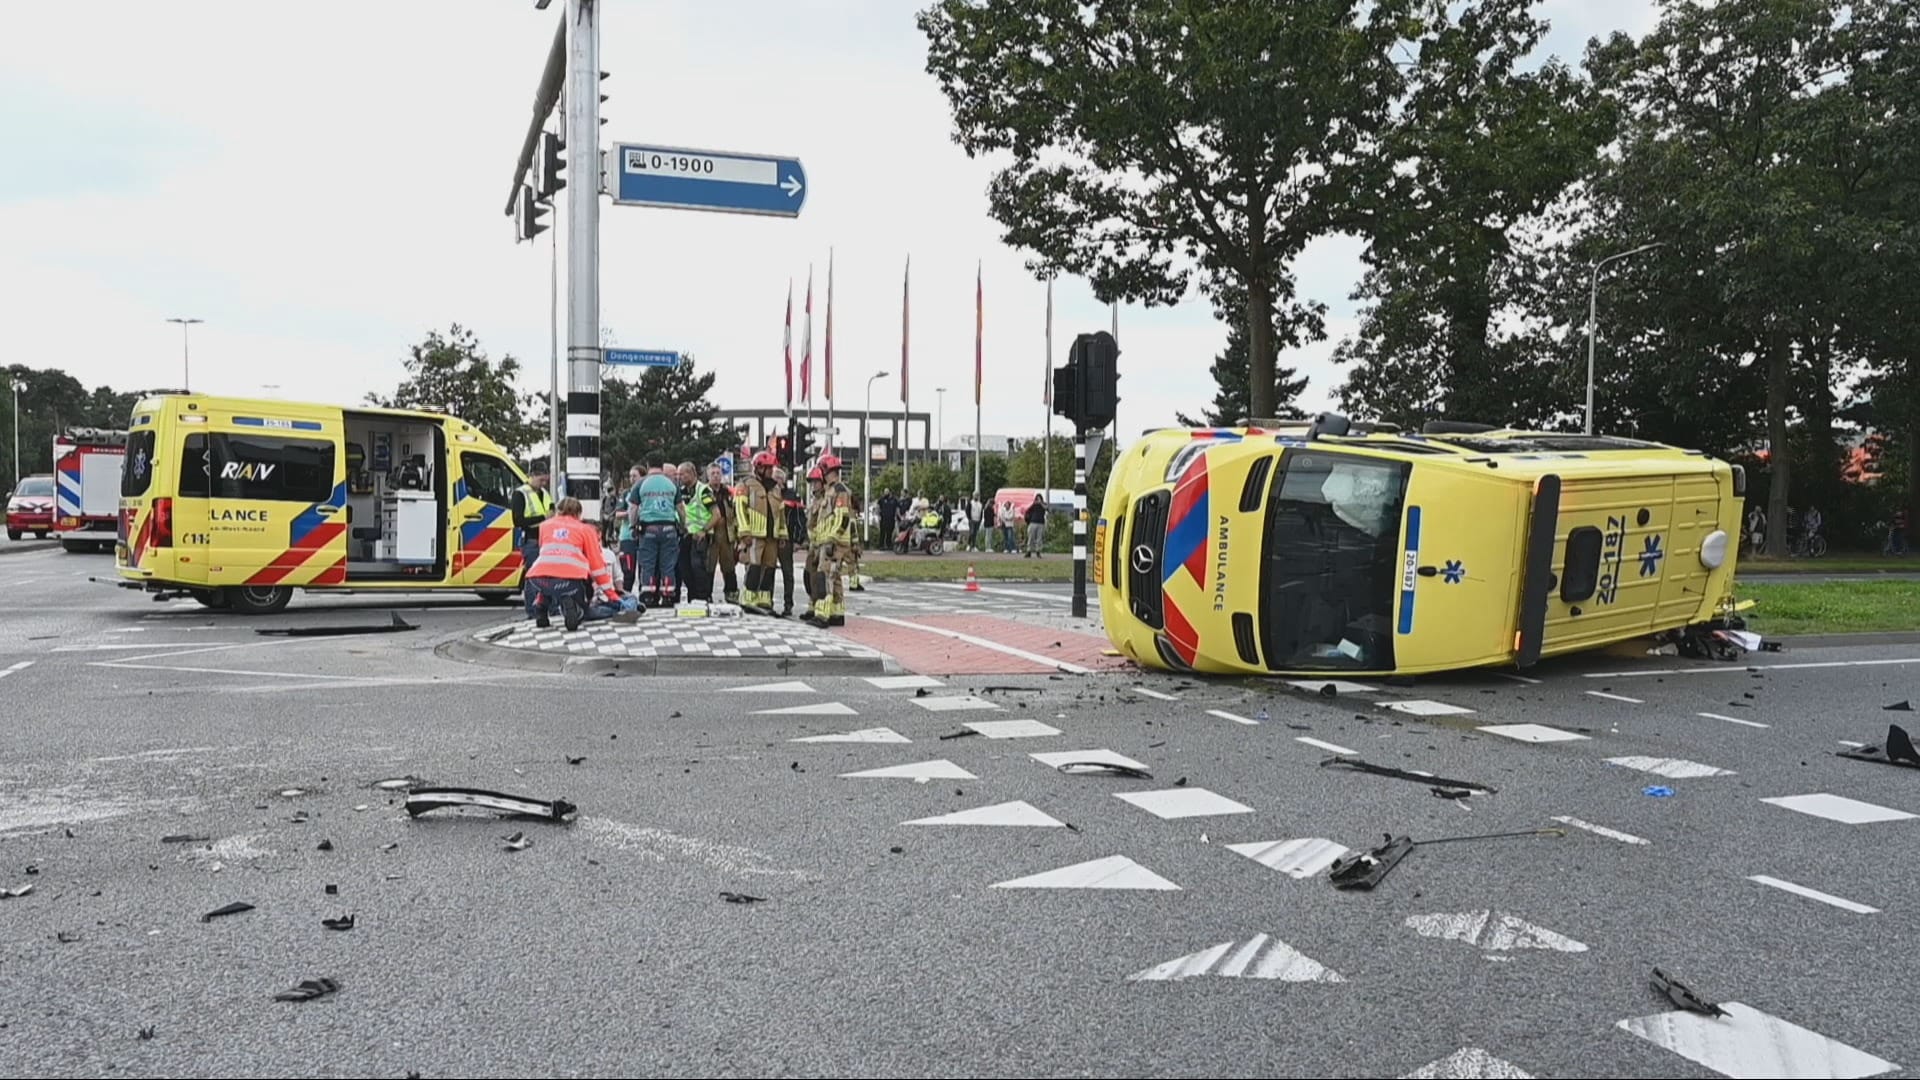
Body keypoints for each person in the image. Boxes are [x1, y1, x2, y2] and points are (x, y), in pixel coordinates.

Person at [525, 497, 613, 632]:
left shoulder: (544, 526)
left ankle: (541, 606)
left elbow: (546, 553)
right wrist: (612, 595)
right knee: (578, 596)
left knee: (548, 582)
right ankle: (574, 606)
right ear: (578, 514)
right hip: (569, 582)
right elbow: (597, 567)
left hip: (537, 579)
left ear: (558, 511)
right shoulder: (585, 529)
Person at [737, 450, 787, 616]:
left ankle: (764, 599)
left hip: (772, 536)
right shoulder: (745, 484)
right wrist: (744, 532)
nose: (771, 472)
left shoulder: (775, 488)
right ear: (759, 468)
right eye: (768, 468)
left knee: (769, 568)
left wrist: (782, 534)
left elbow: (781, 513)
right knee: (754, 566)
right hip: (754, 535)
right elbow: (740, 509)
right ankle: (748, 598)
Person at [629, 458, 685, 607]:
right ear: (661, 467)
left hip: (648, 529)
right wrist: (682, 526)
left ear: (648, 466)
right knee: (668, 565)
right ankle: (667, 596)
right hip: (669, 529)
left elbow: (633, 508)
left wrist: (633, 524)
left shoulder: (641, 484)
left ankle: (649, 596)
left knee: (648, 564)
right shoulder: (671, 484)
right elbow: (680, 508)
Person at [808, 454, 855, 627]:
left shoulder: (839, 490)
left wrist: (831, 540)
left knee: (824, 576)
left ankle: (822, 615)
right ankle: (837, 613)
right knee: (834, 579)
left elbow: (842, 519)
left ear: (826, 470)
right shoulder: (830, 490)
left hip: (833, 542)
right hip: (828, 541)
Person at [511, 467, 554, 618]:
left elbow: (551, 511)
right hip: (531, 540)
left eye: (546, 481)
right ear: (532, 476)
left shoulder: (544, 493)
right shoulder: (520, 494)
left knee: (548, 576)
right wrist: (543, 518)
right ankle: (532, 611)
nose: (543, 484)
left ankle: (546, 608)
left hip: (546, 540)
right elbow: (518, 520)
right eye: (541, 480)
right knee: (533, 575)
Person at [677, 461, 716, 602]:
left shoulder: (703, 491)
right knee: (684, 568)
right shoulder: (681, 491)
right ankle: (692, 596)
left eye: (682, 474)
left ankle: (703, 597)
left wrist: (704, 530)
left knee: (697, 567)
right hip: (687, 535)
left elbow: (716, 514)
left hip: (700, 536)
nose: (679, 477)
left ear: (691, 473)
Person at [706, 462, 740, 602]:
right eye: (712, 473)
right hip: (711, 534)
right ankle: (706, 594)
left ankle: (731, 592)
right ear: (707, 476)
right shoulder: (704, 492)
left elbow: (736, 512)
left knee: (729, 565)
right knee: (709, 565)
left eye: (718, 473)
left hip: (727, 532)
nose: (715, 476)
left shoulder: (728, 493)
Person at [802, 465, 827, 619]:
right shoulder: (814, 501)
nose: (813, 485)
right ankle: (811, 606)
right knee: (808, 576)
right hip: (813, 545)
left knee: (819, 578)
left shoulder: (825, 501)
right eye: (812, 482)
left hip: (821, 544)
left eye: (816, 482)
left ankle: (818, 608)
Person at [615, 464, 643, 592]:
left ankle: (645, 594)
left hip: (644, 535)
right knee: (628, 570)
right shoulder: (626, 493)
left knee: (644, 569)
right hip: (627, 536)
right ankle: (626, 594)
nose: (632, 479)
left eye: (635, 476)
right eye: (630, 476)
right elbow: (618, 514)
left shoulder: (646, 492)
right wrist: (631, 512)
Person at [1024, 493, 1047, 557]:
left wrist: (1041, 503)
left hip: (1041, 523)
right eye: (1037, 499)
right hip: (1033, 522)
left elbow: (1046, 508)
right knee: (1031, 537)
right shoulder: (1034, 505)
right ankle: (1029, 551)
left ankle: (1038, 551)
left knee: (1039, 538)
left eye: (1039, 498)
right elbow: (1027, 511)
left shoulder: (1043, 504)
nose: (1038, 500)